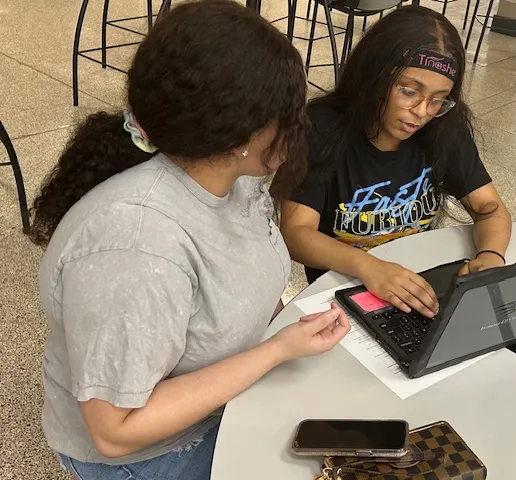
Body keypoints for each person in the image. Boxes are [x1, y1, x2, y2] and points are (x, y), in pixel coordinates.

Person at [28, 2, 350, 479]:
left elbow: (238, 278)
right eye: (287, 114)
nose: (298, 127)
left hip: (226, 398)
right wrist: (276, 351)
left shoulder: (234, 180)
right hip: (155, 454)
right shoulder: (136, 244)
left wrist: (283, 333)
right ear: (238, 131)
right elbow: (116, 429)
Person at [278, 6, 512, 319]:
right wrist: (369, 266)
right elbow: (295, 234)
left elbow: (489, 208)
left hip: (420, 285)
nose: (423, 111)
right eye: (409, 91)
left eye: (439, 99)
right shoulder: (319, 129)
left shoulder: (445, 129)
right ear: (373, 76)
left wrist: (491, 254)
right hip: (345, 293)